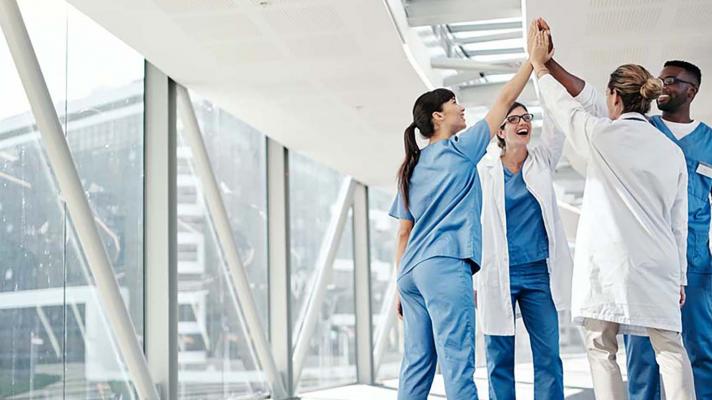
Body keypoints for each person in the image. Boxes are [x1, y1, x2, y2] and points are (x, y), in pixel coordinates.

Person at [529, 25, 695, 400]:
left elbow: (564, 106)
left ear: (615, 98)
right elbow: (678, 222)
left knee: (601, 347)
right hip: (660, 264)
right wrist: (680, 276)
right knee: (670, 347)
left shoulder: (600, 135)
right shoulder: (671, 151)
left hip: (610, 264)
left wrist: (540, 67)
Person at [389, 20, 539, 400]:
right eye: (454, 103)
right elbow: (505, 101)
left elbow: (404, 232)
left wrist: (398, 287)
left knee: (417, 364)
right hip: (444, 266)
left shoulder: (411, 166)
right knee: (458, 363)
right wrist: (532, 61)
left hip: (411, 274)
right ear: (438, 117)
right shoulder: (459, 150)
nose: (461, 108)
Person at [476, 96, 572, 400]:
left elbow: (556, 127)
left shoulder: (542, 159)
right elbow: (476, 229)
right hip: (499, 273)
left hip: (539, 274)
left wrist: (539, 73)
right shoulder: (484, 172)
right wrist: (476, 280)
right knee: (499, 357)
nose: (523, 123)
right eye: (514, 119)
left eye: (527, 117)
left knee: (548, 356)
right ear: (500, 131)